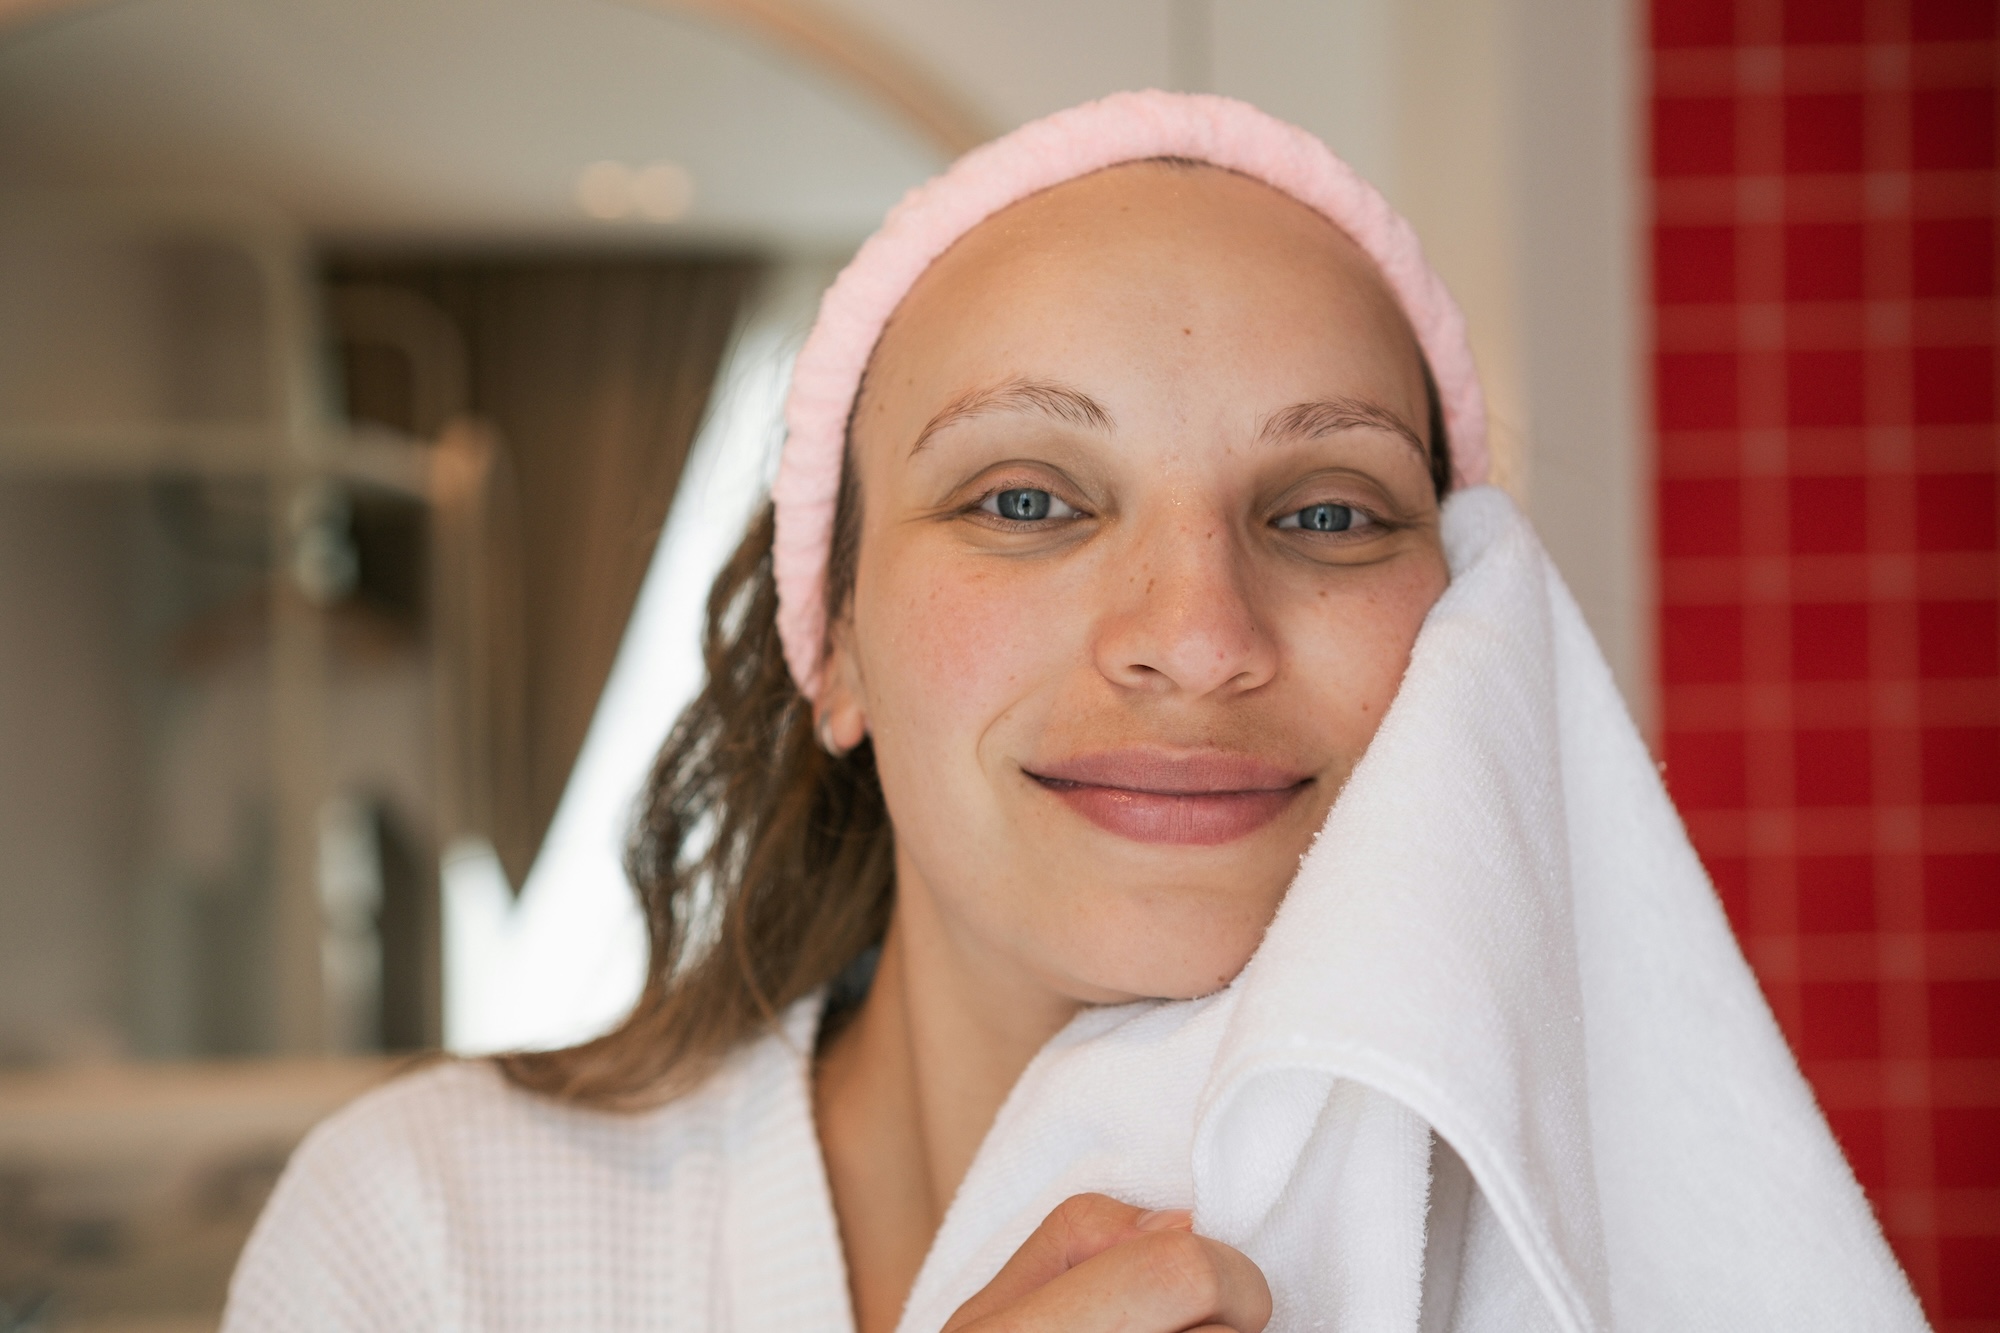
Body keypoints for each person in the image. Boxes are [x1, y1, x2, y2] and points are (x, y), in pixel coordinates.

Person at [224, 93, 1925, 1333]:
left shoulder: (1618, 1258)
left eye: (1328, 511)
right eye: (1028, 500)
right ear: (835, 642)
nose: (1195, 637)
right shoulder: (435, 1239)